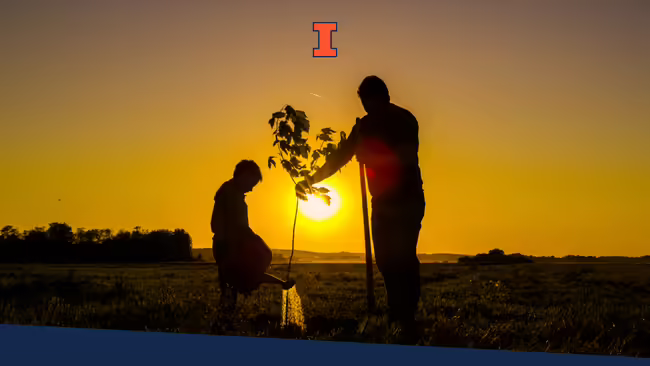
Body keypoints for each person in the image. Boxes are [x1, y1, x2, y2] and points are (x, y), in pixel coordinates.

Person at [296, 76, 425, 336]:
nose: (368, 108)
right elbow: (341, 155)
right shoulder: (364, 126)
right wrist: (311, 180)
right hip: (382, 201)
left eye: (372, 101)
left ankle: (407, 315)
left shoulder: (404, 120)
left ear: (384, 97)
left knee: (404, 256)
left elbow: (406, 156)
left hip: (407, 198)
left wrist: (372, 157)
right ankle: (396, 309)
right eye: (365, 103)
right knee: (386, 259)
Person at [211, 160, 295, 306]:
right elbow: (222, 224)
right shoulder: (229, 195)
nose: (251, 189)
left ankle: (226, 320)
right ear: (244, 175)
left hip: (229, 245)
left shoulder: (232, 194)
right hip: (228, 246)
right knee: (232, 288)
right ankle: (224, 322)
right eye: (252, 183)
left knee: (237, 284)